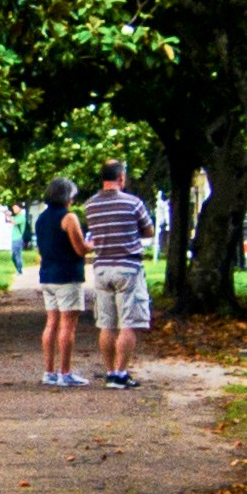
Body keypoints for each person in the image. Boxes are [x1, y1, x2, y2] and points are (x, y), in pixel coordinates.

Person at [76, 161, 152, 387]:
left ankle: (110, 372)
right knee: (128, 323)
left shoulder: (90, 205)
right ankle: (120, 373)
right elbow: (148, 230)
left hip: (102, 267)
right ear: (121, 178)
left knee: (106, 323)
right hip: (128, 266)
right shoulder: (133, 203)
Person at [30, 184, 86, 385]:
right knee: (68, 326)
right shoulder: (69, 218)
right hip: (68, 276)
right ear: (66, 196)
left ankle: (49, 372)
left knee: (51, 323)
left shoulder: (41, 219)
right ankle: (65, 372)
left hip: (47, 275)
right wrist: (94, 244)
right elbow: (80, 248)